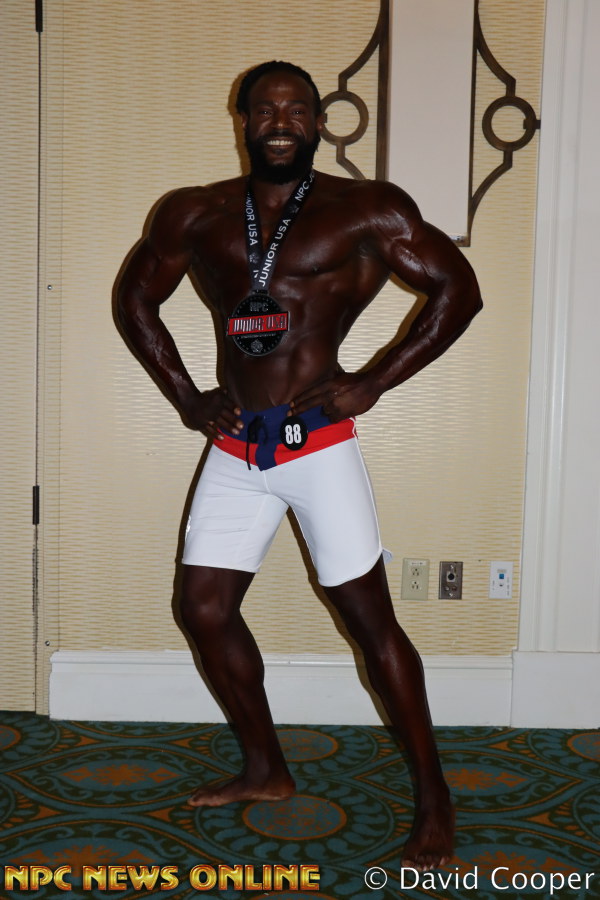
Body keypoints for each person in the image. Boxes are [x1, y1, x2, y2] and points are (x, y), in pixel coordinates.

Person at [116, 60, 482, 871]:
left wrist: (374, 381)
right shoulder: (197, 212)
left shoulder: (367, 209)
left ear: (319, 122)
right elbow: (135, 299)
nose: (280, 121)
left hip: (317, 443)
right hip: (236, 446)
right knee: (203, 609)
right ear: (242, 119)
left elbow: (459, 290)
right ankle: (266, 769)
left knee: (370, 623)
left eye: (297, 109)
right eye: (264, 109)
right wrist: (187, 398)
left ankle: (435, 799)